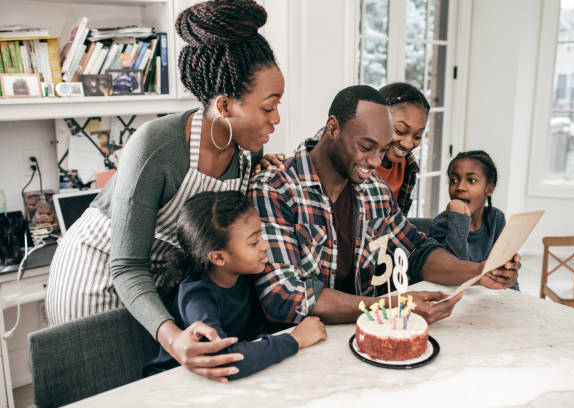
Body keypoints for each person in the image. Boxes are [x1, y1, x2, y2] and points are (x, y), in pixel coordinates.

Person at [46, 0, 285, 382]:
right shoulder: (155, 146)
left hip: (160, 280)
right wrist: (173, 339)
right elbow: (126, 265)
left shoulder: (247, 151)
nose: (276, 118)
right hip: (100, 274)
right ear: (224, 104)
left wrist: (261, 165)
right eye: (268, 107)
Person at [249, 85, 520, 325]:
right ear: (333, 128)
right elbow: (283, 297)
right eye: (366, 147)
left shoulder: (374, 189)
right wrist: (391, 307)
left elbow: (417, 251)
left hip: (364, 330)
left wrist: (478, 271)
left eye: (382, 149)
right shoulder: (275, 188)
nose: (376, 162)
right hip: (299, 342)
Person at [145, 191, 326, 380]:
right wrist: (295, 339)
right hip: (174, 383)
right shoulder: (197, 297)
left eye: (261, 235)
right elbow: (224, 360)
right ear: (218, 257)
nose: (265, 245)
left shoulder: (247, 273)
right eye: (254, 242)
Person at [429, 150, 519, 290]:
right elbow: (456, 272)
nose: (459, 187)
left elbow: (504, 272)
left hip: (487, 298)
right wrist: (459, 220)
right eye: (454, 180)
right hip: (452, 297)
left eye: (471, 180)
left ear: (489, 189)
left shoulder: (496, 219)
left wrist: (515, 296)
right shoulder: (440, 224)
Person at [375, 83, 429, 215]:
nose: (408, 144)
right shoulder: (355, 162)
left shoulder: (407, 165)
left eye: (418, 136)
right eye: (400, 131)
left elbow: (399, 220)